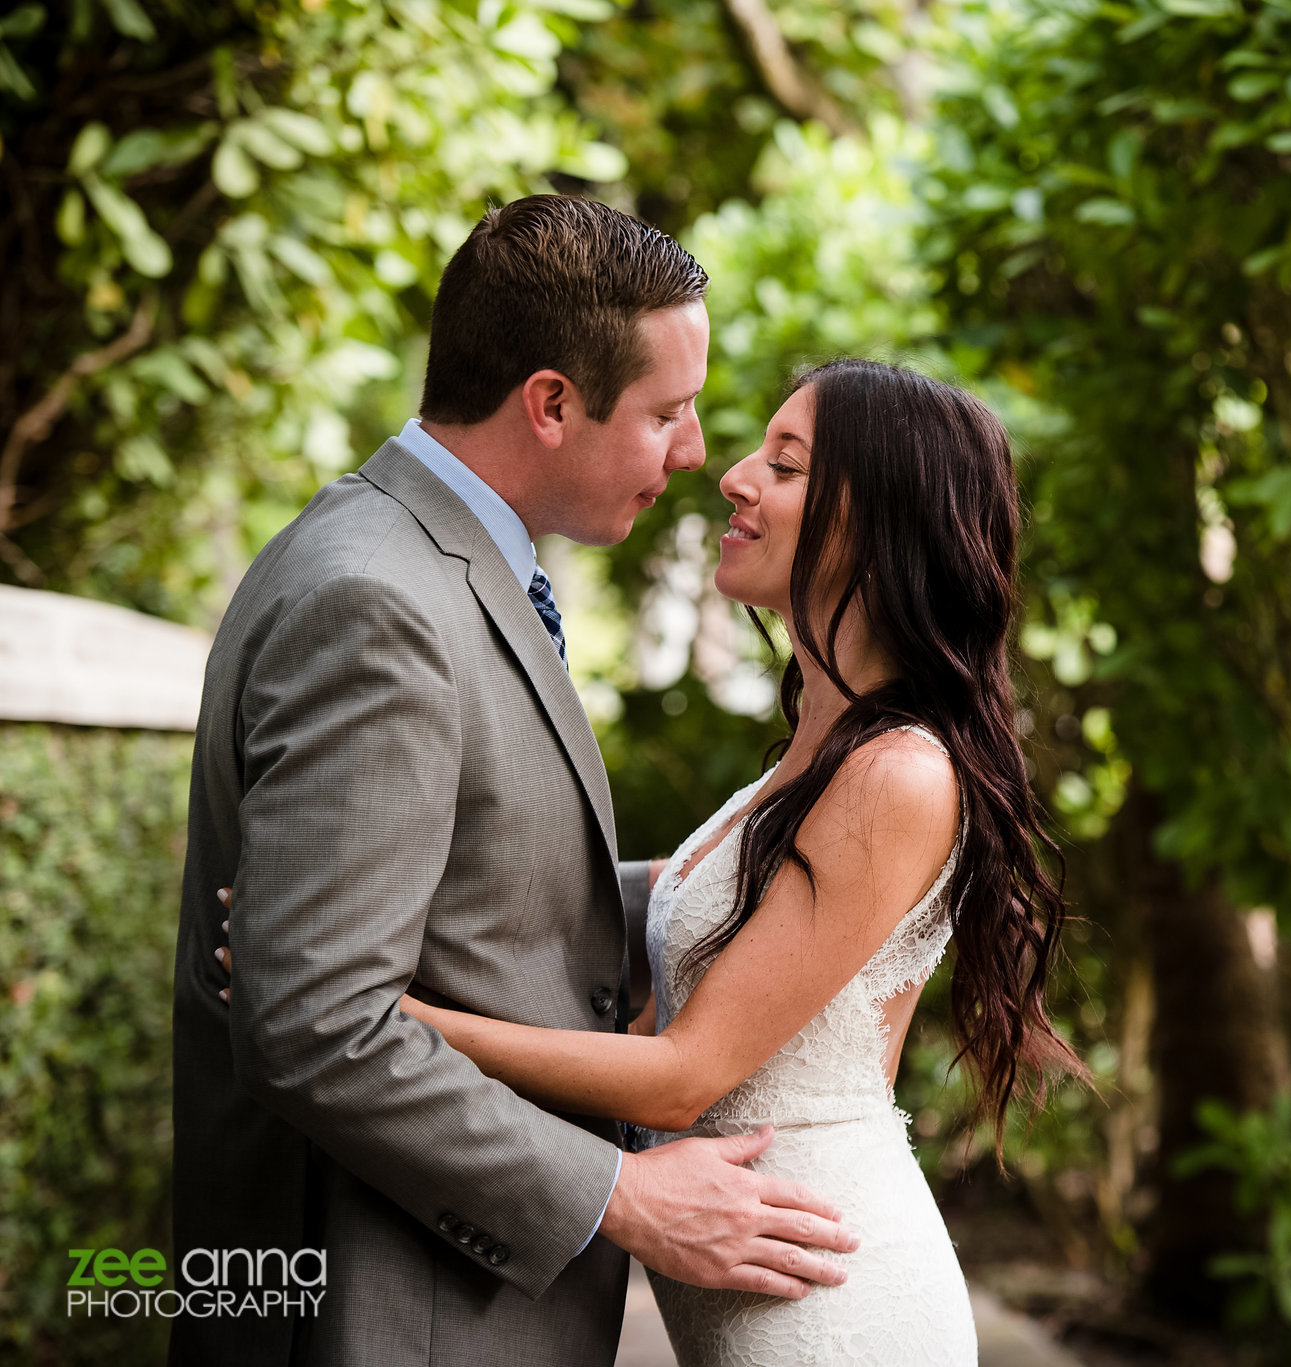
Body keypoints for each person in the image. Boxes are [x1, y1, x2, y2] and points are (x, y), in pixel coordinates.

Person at [224, 358, 1086, 1363]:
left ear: (877, 517)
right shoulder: (826, 743)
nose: (730, 474)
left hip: (823, 1296)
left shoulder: (897, 771)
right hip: (756, 1282)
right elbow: (662, 908)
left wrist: (388, 1012)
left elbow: (680, 1076)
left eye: (786, 463)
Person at [172, 194, 858, 1367]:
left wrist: (803, 878)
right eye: (667, 412)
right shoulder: (377, 600)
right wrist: (616, 1194)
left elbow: (488, 875)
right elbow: (313, 1027)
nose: (696, 453)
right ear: (549, 402)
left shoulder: (432, 562)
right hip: (387, 1315)